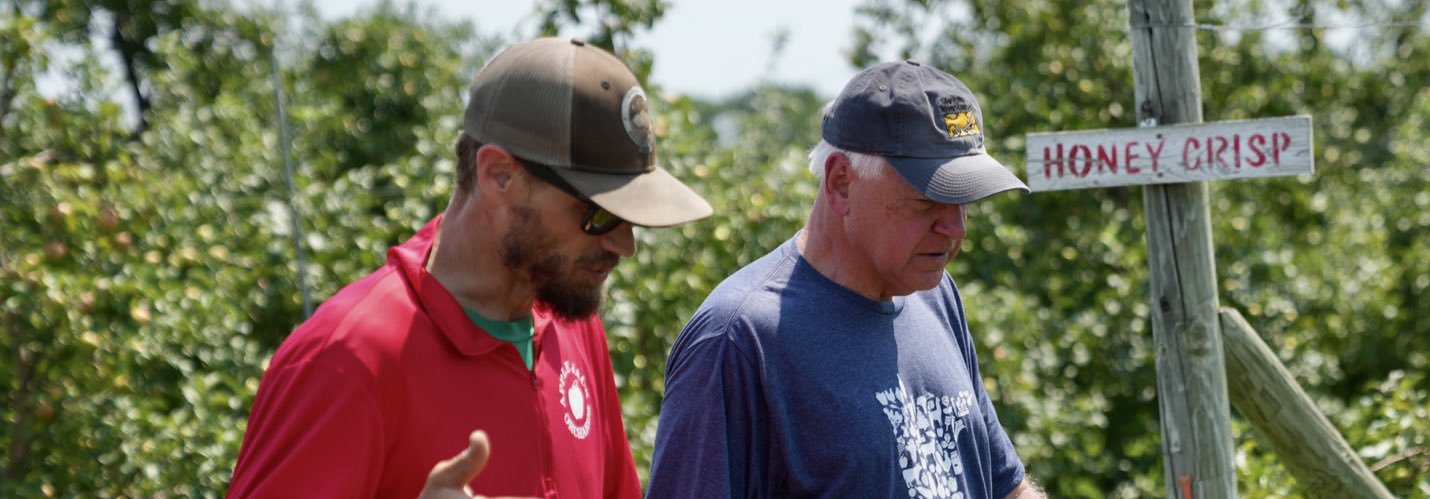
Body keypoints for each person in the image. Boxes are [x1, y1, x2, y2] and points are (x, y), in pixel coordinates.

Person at [227, 37, 712, 499]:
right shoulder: (346, 359)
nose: (623, 244)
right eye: (599, 213)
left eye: (631, 219)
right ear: (499, 175)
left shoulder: (573, 326)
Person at [647, 60, 1045, 498]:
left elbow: (1005, 486)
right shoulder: (738, 339)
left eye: (964, 202)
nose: (956, 230)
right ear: (841, 183)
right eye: (928, 200)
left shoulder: (934, 295)